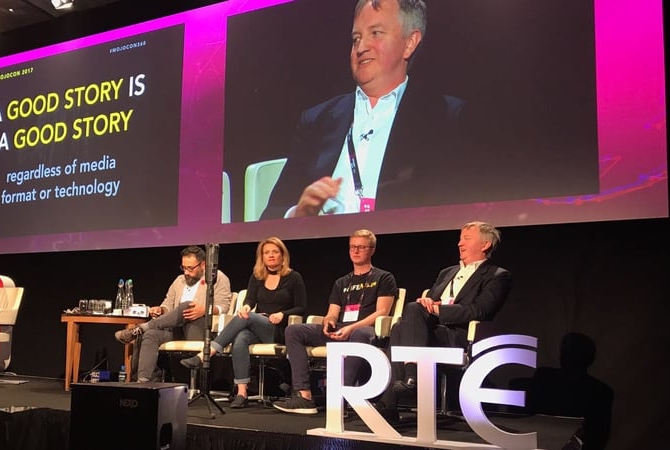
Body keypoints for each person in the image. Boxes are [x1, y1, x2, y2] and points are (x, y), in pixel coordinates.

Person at [261, 0, 470, 220]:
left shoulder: (446, 117)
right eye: (356, 39)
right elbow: (269, 216)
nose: (361, 48)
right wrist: (298, 213)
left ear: (410, 42)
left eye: (376, 33)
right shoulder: (317, 120)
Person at [379, 221, 512, 417]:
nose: (460, 244)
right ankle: (408, 382)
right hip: (428, 332)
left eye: (466, 239)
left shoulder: (497, 275)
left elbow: (480, 310)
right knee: (402, 324)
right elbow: (429, 302)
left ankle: (394, 398)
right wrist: (427, 302)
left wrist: (440, 311)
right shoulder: (447, 272)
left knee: (405, 323)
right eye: (460, 239)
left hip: (458, 335)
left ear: (485, 245)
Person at [273, 229, 398, 415]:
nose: (355, 251)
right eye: (352, 247)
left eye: (361, 247)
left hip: (366, 331)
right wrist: (328, 322)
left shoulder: (383, 277)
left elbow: (382, 312)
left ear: (372, 250)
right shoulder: (342, 282)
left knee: (360, 332)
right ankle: (304, 396)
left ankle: (339, 397)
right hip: (340, 330)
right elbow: (332, 313)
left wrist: (351, 327)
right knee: (294, 330)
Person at [180, 237, 307, 408]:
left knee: (247, 318)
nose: (271, 256)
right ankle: (242, 392)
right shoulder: (257, 277)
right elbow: (250, 301)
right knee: (241, 337)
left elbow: (301, 307)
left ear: (283, 256)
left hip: (280, 330)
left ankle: (206, 354)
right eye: (266, 252)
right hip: (258, 327)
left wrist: (282, 314)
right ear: (261, 257)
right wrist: (246, 307)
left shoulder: (293, 277)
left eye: (275, 252)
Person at [114, 245, 232, 383]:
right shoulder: (179, 280)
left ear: (203, 264)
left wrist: (205, 309)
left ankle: (141, 327)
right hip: (176, 330)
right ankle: (143, 382)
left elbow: (224, 307)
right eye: (184, 267)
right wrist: (161, 310)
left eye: (190, 268)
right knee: (151, 335)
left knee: (187, 305)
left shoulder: (217, 278)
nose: (186, 272)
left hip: (200, 330)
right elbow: (168, 305)